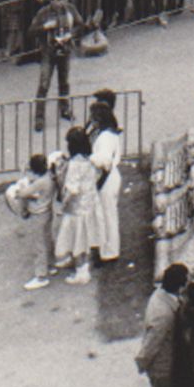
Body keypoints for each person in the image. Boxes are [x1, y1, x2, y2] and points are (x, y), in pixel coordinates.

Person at [136, 261, 190, 387]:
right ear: (180, 285)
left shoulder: (162, 297)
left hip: (170, 364)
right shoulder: (164, 313)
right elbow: (152, 343)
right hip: (163, 367)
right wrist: (143, 362)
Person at [29, 0, 81, 131]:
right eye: (58, 0)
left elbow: (79, 24)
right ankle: (39, 118)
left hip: (65, 51)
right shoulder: (43, 13)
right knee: (44, 84)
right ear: (51, 1)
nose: (61, 3)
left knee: (64, 82)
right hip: (48, 53)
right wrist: (45, 27)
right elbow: (31, 31)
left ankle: (64, 109)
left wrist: (71, 35)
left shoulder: (70, 9)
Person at [55, 125, 102, 283]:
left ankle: (81, 272)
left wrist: (62, 206)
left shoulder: (74, 164)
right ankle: (82, 265)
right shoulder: (90, 159)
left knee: (77, 239)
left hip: (76, 208)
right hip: (90, 204)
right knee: (85, 238)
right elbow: (97, 175)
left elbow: (71, 189)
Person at [4, 150, 57, 289]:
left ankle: (41, 276)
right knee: (47, 239)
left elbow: (23, 192)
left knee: (39, 244)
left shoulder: (39, 183)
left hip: (38, 215)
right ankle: (50, 264)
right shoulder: (49, 177)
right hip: (47, 212)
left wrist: (20, 182)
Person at [88, 92, 123, 262]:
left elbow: (104, 160)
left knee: (107, 216)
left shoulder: (105, 137)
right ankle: (103, 247)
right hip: (109, 178)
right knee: (104, 215)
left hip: (107, 179)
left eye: (93, 118)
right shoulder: (109, 133)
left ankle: (109, 252)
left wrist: (89, 158)